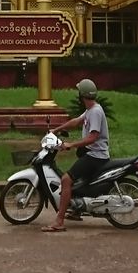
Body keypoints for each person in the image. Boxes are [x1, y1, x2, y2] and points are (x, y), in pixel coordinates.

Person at [43, 77, 109, 232]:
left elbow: (93, 137)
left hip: (96, 156)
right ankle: (77, 209)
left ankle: (59, 221)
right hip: (91, 153)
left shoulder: (95, 112)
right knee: (77, 181)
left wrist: (71, 145)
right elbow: (76, 121)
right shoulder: (91, 109)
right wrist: (56, 130)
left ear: (82, 95)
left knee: (66, 179)